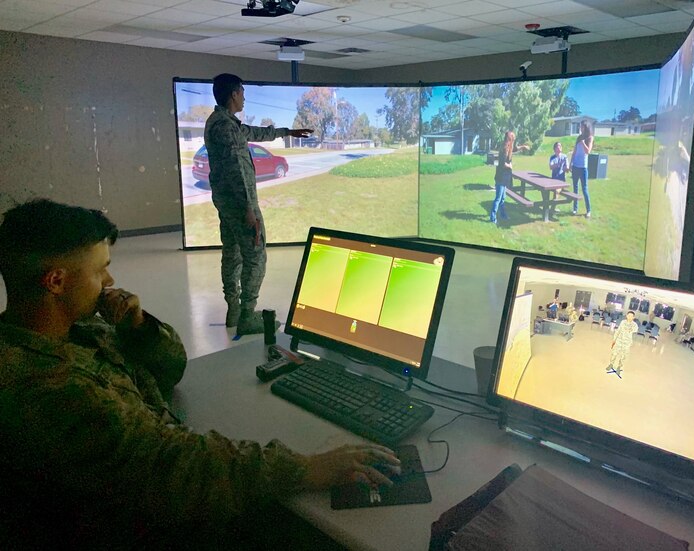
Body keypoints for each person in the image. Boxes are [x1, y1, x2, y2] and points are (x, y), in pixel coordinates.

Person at [0, 199, 399, 548]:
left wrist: (138, 325)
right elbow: (172, 467)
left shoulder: (76, 330)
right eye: (100, 270)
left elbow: (172, 367)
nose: (110, 282)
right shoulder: (43, 388)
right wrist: (304, 468)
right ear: (56, 281)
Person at [205, 73, 313, 335]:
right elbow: (236, 170)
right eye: (242, 92)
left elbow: (256, 132)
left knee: (232, 253)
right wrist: (249, 210)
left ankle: (233, 308)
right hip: (239, 205)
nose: (244, 97)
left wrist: (287, 132)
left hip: (226, 203)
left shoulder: (221, 122)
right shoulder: (226, 127)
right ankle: (246, 314)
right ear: (233, 95)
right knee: (255, 257)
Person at [489, 131, 529, 224]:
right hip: (501, 177)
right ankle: (492, 218)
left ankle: (503, 215)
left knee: (503, 198)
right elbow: (502, 164)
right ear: (509, 139)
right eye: (513, 138)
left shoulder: (509, 148)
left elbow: (515, 148)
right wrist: (510, 166)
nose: (514, 140)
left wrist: (523, 147)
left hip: (505, 177)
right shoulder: (504, 149)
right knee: (498, 198)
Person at [569, 122, 594, 218]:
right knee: (575, 188)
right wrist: (571, 163)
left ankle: (588, 210)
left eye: (581, 126)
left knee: (584, 189)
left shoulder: (590, 138)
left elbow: (588, 151)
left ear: (586, 127)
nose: (580, 127)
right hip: (575, 166)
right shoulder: (578, 137)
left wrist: (583, 143)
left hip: (583, 167)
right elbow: (574, 152)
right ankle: (575, 209)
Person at [606, 310, 639, 377]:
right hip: (619, 341)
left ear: (633, 317)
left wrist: (629, 328)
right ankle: (611, 364)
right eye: (628, 315)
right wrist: (614, 340)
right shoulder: (623, 322)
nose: (629, 317)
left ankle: (619, 367)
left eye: (631, 316)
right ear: (626, 316)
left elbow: (634, 330)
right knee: (614, 353)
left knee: (623, 356)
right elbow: (618, 330)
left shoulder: (634, 325)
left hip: (627, 343)